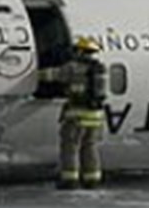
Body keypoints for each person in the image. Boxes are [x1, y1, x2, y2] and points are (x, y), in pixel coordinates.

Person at [38, 38, 107, 190]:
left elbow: (52, 75)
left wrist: (34, 74)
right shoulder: (99, 69)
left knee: (70, 147)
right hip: (96, 116)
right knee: (90, 147)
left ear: (81, 51)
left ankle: (70, 179)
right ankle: (92, 179)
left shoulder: (73, 68)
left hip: (77, 116)